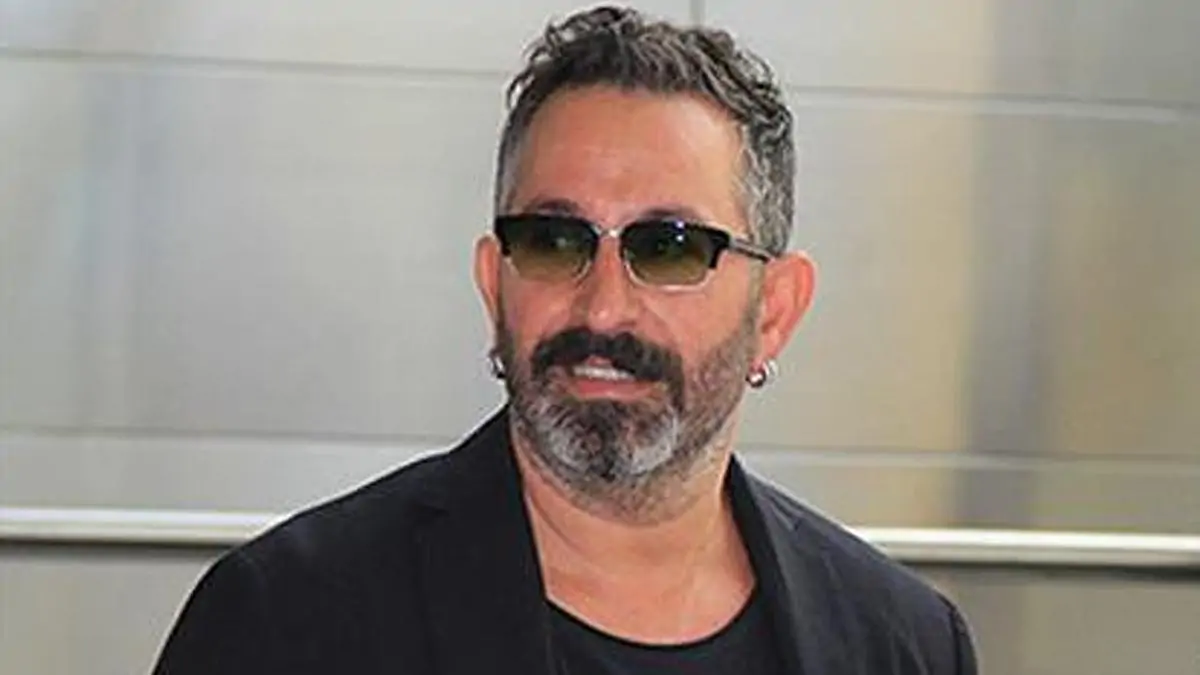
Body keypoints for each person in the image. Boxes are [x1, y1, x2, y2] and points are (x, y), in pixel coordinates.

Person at [153, 6, 977, 674]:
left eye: (670, 248)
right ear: (494, 284)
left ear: (775, 311)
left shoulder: (901, 644)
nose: (605, 308)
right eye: (554, 241)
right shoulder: (289, 620)